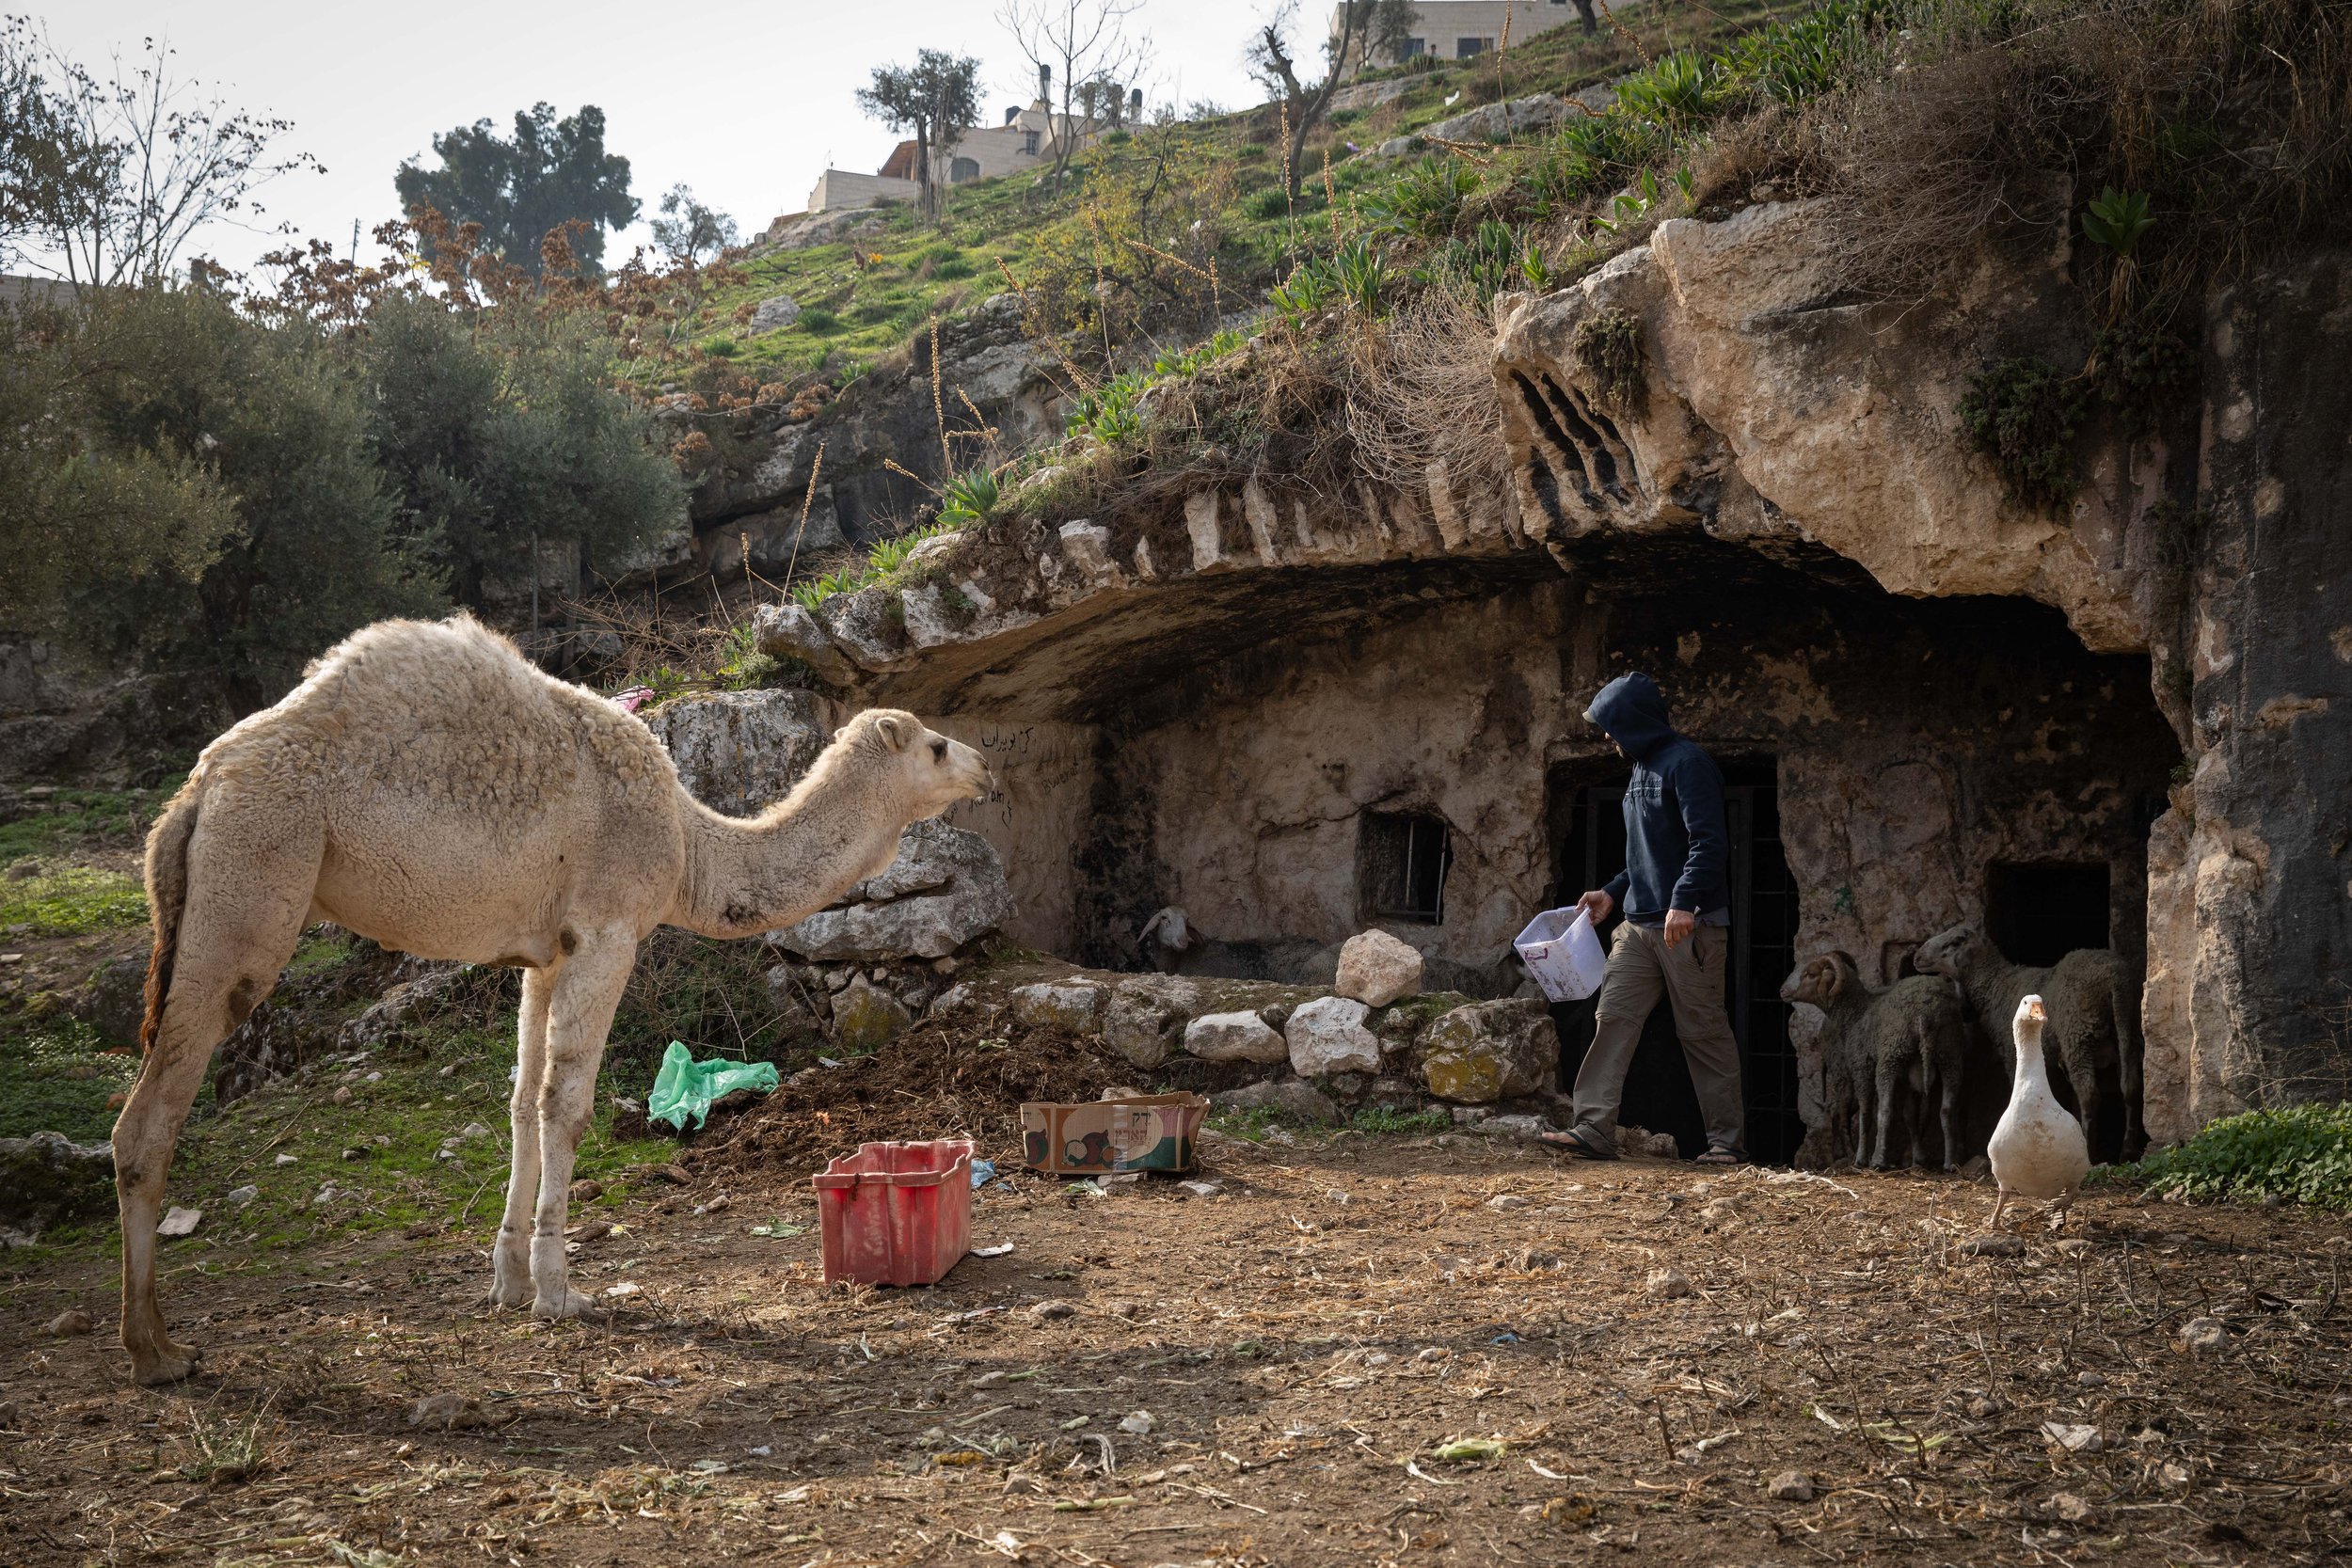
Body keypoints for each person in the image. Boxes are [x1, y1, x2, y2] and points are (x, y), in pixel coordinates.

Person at [1539, 672, 1746, 1165]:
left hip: (1685, 928)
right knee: (1612, 1020)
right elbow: (1645, 855)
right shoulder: (1639, 769)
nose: (1608, 737)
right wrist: (1612, 894)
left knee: (1702, 1032)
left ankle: (1726, 1144)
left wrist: (1685, 902)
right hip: (1637, 926)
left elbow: (1708, 844)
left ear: (1633, 722)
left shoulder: (1688, 764)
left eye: (1612, 726)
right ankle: (1593, 1129)